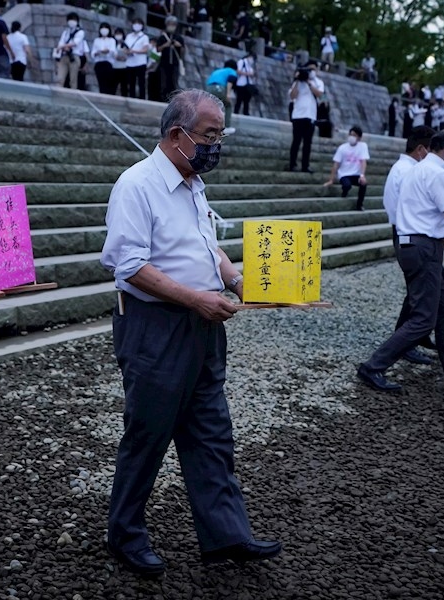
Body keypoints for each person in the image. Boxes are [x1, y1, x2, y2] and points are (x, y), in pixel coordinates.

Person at [100, 89, 282, 577]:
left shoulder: (193, 181)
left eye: (220, 136)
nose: (215, 146)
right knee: (148, 432)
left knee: (211, 430)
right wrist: (196, 298)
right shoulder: (136, 184)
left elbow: (208, 246)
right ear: (177, 135)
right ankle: (125, 534)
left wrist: (238, 280)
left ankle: (226, 533)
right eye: (209, 136)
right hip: (155, 325)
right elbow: (129, 265)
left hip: (203, 323)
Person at [357, 129, 444, 394]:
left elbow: (424, 215)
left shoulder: (417, 170)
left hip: (414, 243)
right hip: (423, 249)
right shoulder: (438, 173)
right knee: (423, 319)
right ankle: (373, 366)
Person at [382, 126, 437, 366]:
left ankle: (415, 336)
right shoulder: (408, 171)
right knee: (419, 290)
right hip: (410, 234)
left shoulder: (404, 168)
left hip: (405, 232)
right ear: (421, 149)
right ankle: (405, 342)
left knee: (421, 289)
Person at [285, 60, 324, 173]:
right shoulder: (298, 82)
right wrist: (298, 80)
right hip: (298, 115)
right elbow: (292, 96)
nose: (311, 71)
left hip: (311, 115)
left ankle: (305, 165)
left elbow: (320, 94)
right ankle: (292, 164)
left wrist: (309, 82)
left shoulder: (318, 82)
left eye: (313, 69)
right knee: (296, 141)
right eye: (309, 69)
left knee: (308, 142)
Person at [323, 125, 370, 211]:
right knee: (347, 185)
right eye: (351, 135)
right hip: (344, 174)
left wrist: (362, 175)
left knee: (363, 184)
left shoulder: (363, 146)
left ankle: (359, 205)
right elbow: (336, 164)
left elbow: (363, 161)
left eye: (354, 135)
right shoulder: (342, 148)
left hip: (356, 174)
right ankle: (344, 192)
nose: (352, 137)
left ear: (359, 137)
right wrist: (331, 180)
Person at [54, 13, 86, 88]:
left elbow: (75, 43)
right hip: (64, 55)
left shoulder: (80, 32)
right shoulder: (66, 32)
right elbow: (60, 42)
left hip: (74, 57)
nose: (71, 21)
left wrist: (63, 46)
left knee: (73, 80)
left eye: (74, 19)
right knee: (60, 78)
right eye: (70, 19)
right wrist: (62, 47)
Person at [156, 16, 185, 100]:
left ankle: (173, 100)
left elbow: (183, 51)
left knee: (174, 82)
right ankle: (163, 98)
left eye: (173, 24)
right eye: (170, 24)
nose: (172, 26)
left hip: (175, 63)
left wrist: (178, 45)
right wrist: (166, 44)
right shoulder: (162, 37)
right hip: (164, 63)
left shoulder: (179, 38)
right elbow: (158, 49)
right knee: (164, 82)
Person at [205, 59, 238, 131]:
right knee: (228, 105)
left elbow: (208, 81)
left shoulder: (217, 71)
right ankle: (227, 127)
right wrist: (228, 94)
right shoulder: (232, 71)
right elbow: (230, 81)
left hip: (209, 88)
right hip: (220, 88)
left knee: (212, 106)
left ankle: (207, 124)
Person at [123, 18, 150, 99]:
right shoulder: (129, 36)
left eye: (139, 23)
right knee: (131, 82)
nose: (136, 25)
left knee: (141, 82)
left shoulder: (144, 37)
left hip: (140, 62)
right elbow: (125, 48)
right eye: (135, 23)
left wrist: (134, 51)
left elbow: (145, 49)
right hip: (130, 62)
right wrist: (127, 52)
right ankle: (131, 97)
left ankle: (142, 98)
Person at [91, 22, 117, 94]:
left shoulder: (112, 40)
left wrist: (107, 51)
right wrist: (97, 53)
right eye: (102, 28)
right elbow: (93, 53)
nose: (104, 30)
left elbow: (113, 51)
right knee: (101, 82)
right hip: (99, 63)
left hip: (108, 63)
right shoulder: (97, 40)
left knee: (108, 82)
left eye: (106, 28)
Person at [234, 51, 257, 116]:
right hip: (241, 84)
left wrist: (253, 75)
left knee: (246, 101)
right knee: (239, 100)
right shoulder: (242, 62)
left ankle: (246, 113)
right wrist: (247, 74)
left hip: (248, 85)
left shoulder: (250, 66)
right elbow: (237, 71)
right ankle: (236, 112)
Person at [111, 27, 130, 96]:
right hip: (114, 67)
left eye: (120, 34)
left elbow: (128, 54)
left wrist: (124, 55)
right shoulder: (112, 43)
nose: (118, 35)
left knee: (124, 86)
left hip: (123, 67)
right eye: (117, 34)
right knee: (113, 86)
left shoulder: (125, 44)